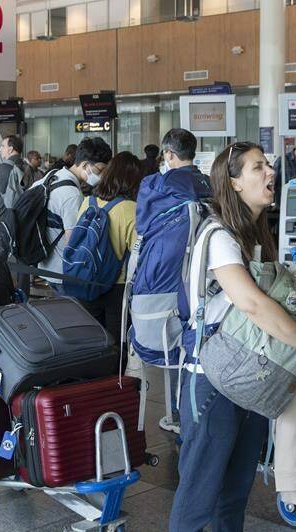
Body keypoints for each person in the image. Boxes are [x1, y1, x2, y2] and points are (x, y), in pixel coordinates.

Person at [170, 142, 296, 532]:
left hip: (251, 377)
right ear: (233, 181)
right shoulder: (219, 236)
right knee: (197, 490)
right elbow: (251, 303)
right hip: (210, 380)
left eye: (269, 166)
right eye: (259, 167)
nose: (270, 173)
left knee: (234, 489)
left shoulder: (255, 235)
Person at [133, 128, 212, 436]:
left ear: (167, 154)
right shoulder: (209, 184)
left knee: (173, 344)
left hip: (166, 280)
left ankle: (180, 413)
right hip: (206, 279)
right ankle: (192, 409)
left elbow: (144, 224)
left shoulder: (158, 185)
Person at [74, 150, 141, 334]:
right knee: (116, 346)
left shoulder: (88, 202)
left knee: (92, 342)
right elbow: (138, 254)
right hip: (116, 287)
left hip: (86, 280)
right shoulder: (131, 208)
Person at [40, 137, 107, 285]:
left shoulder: (52, 176)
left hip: (45, 265)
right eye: (100, 170)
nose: (101, 176)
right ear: (85, 165)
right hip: (61, 273)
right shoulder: (72, 195)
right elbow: (74, 241)